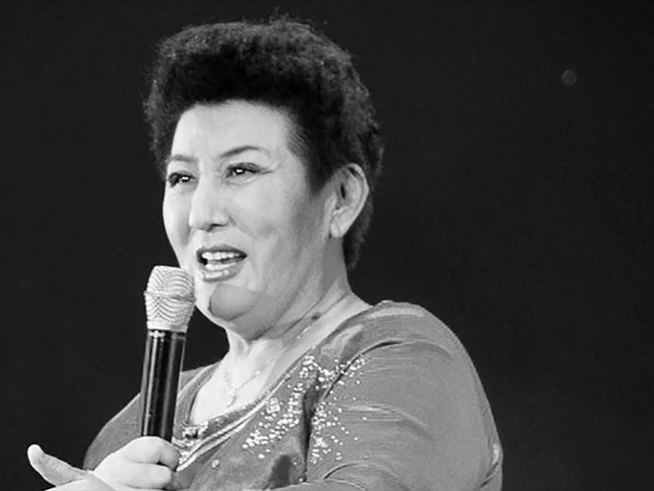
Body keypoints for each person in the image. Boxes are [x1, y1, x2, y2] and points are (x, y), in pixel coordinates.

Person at [28, 17, 502, 491]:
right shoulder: (128, 434)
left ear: (340, 198)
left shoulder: (403, 359)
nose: (201, 214)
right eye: (182, 178)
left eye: (241, 170)